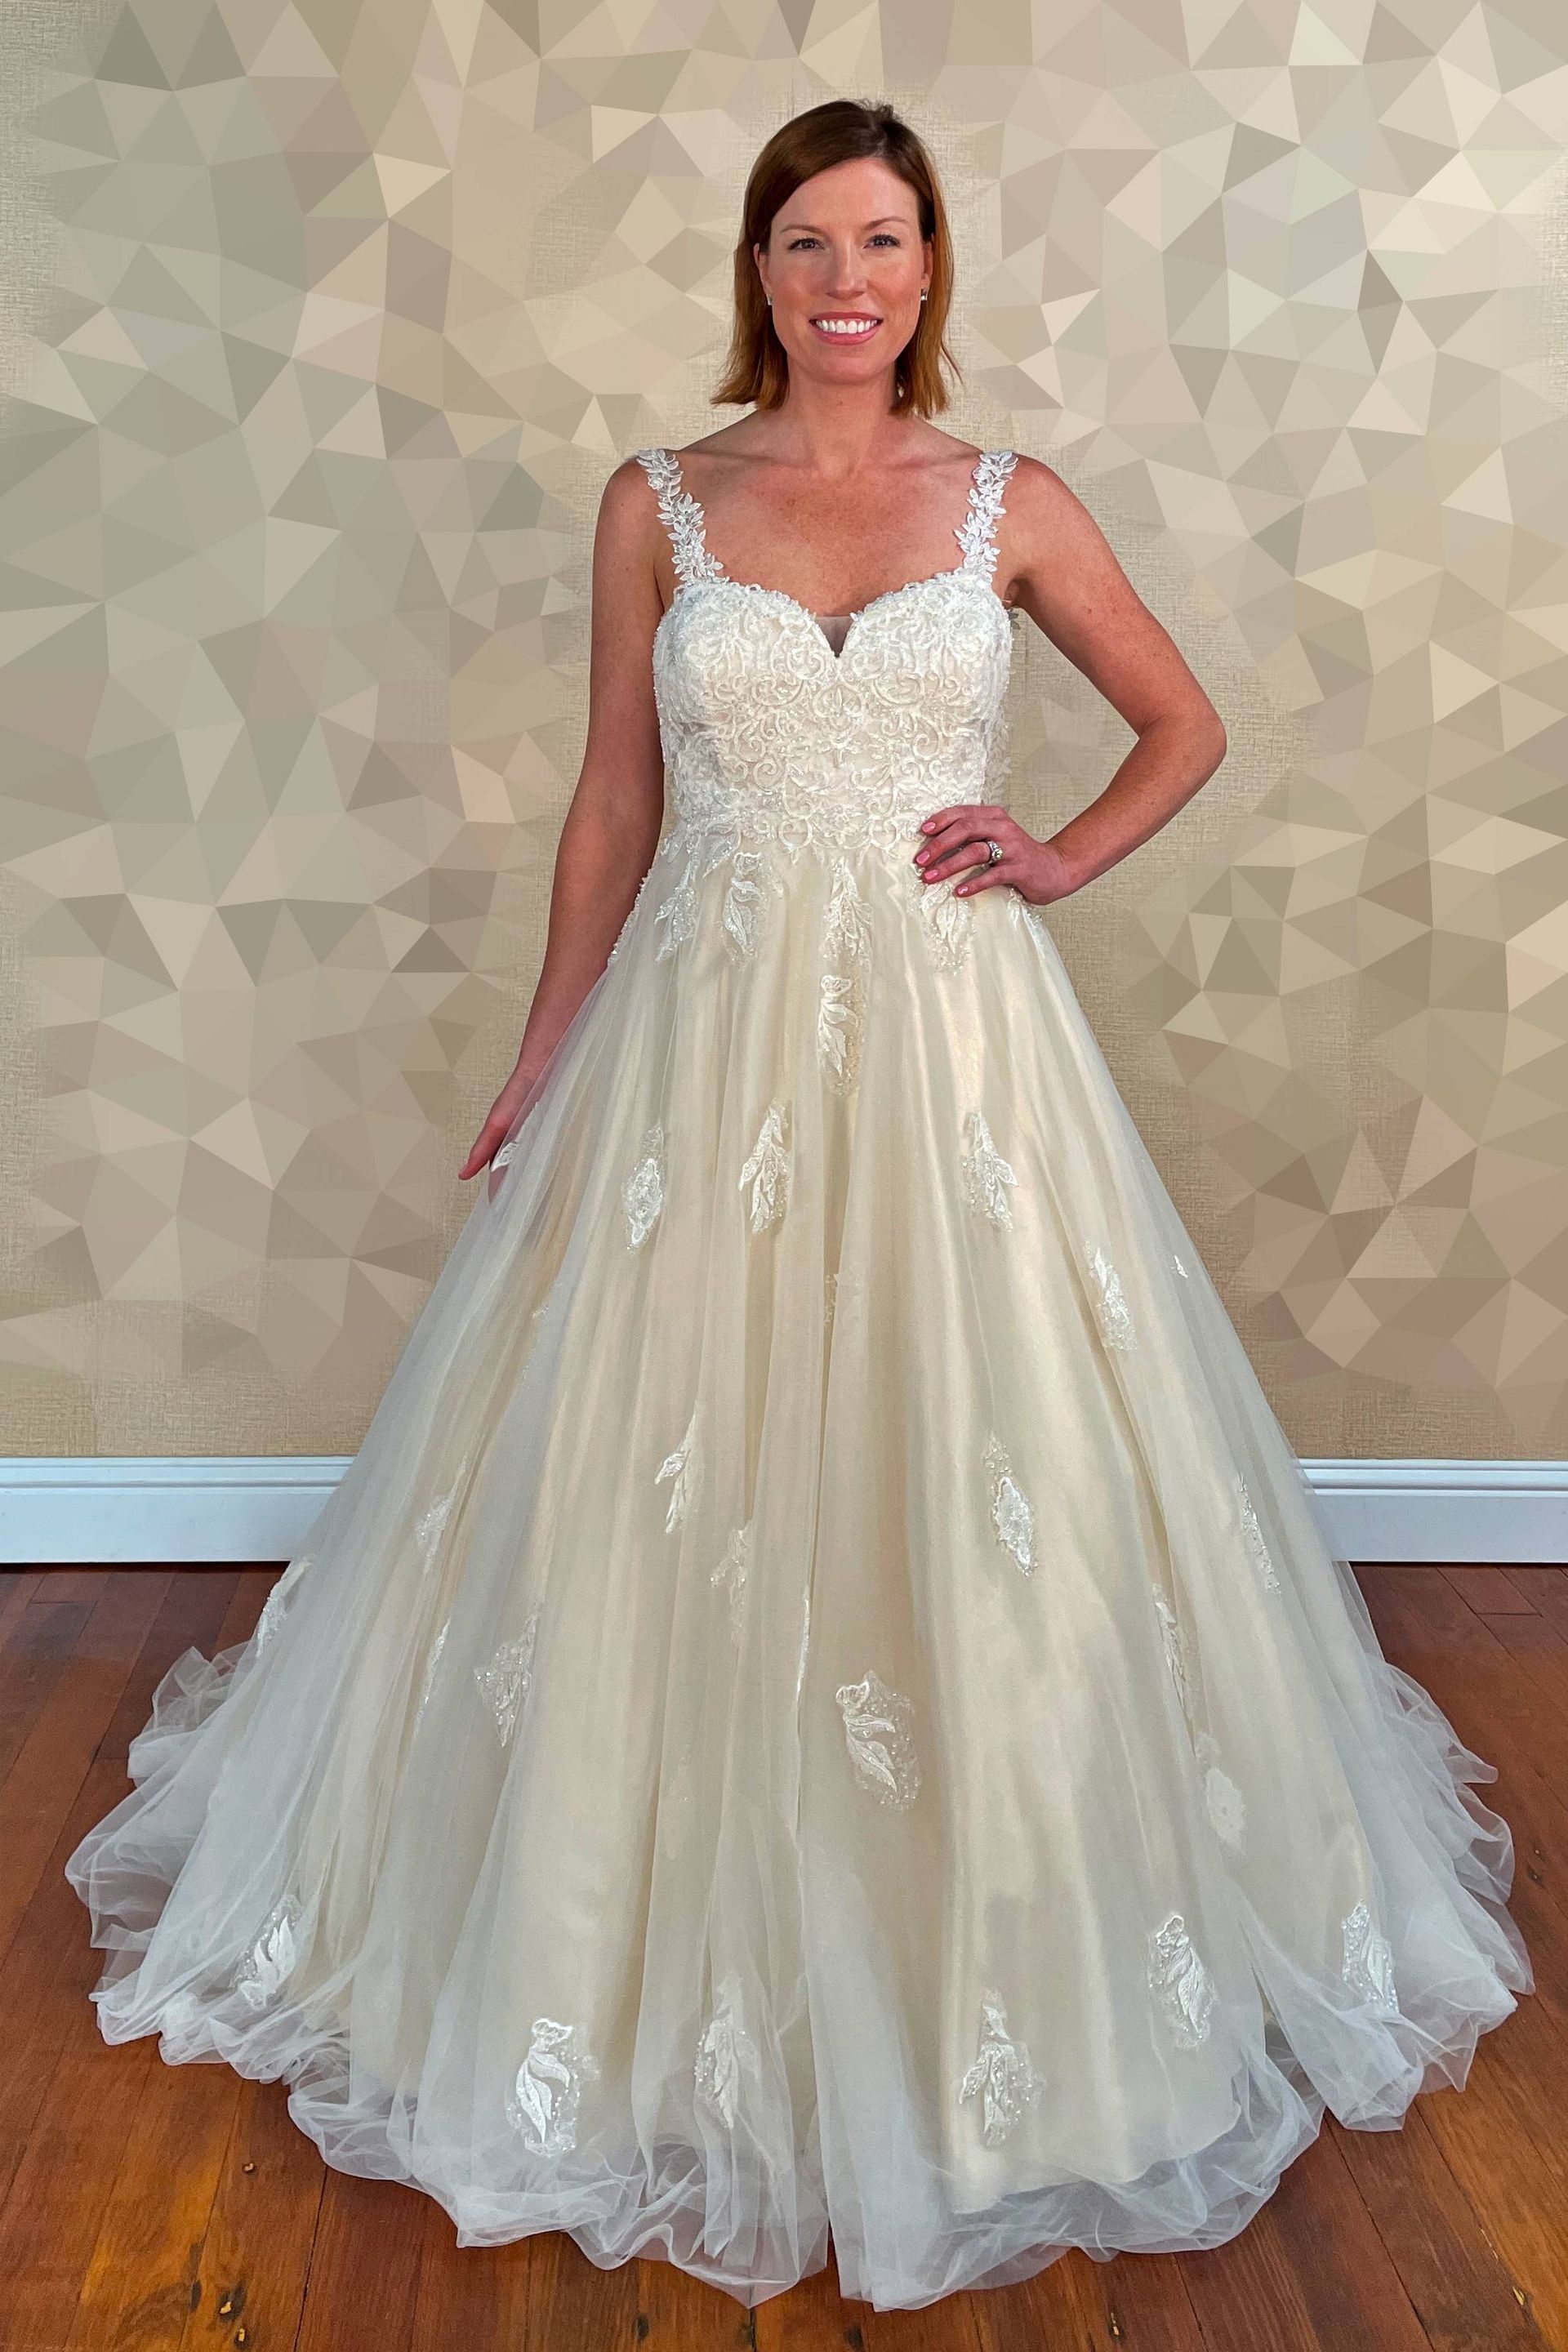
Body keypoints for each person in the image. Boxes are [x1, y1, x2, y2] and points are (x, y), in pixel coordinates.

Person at [65, 96, 1531, 2315]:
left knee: (980, 1450)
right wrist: (546, 1054)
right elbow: (614, 802)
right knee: (654, 1465)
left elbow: (1184, 723)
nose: (848, 280)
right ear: (757, 270)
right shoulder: (660, 502)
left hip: (956, 1049)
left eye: (884, 241)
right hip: (704, 1033)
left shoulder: (1010, 500)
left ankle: (995, 1957)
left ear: (931, 271)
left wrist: (1059, 854)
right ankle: (603, 1953)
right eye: (807, 242)